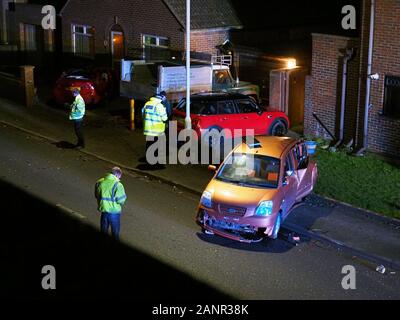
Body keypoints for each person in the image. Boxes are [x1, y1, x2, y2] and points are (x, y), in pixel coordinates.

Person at [95, 167, 127, 240]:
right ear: (117, 175)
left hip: (104, 212)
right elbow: (121, 200)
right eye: (119, 177)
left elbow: (96, 195)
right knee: (115, 234)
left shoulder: (99, 182)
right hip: (114, 214)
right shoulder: (118, 185)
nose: (119, 179)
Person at [142, 93, 168, 164]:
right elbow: (164, 118)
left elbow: (143, 114)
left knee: (149, 144)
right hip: (157, 131)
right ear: (160, 99)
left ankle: (148, 159)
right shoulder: (160, 106)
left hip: (148, 130)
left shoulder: (147, 104)